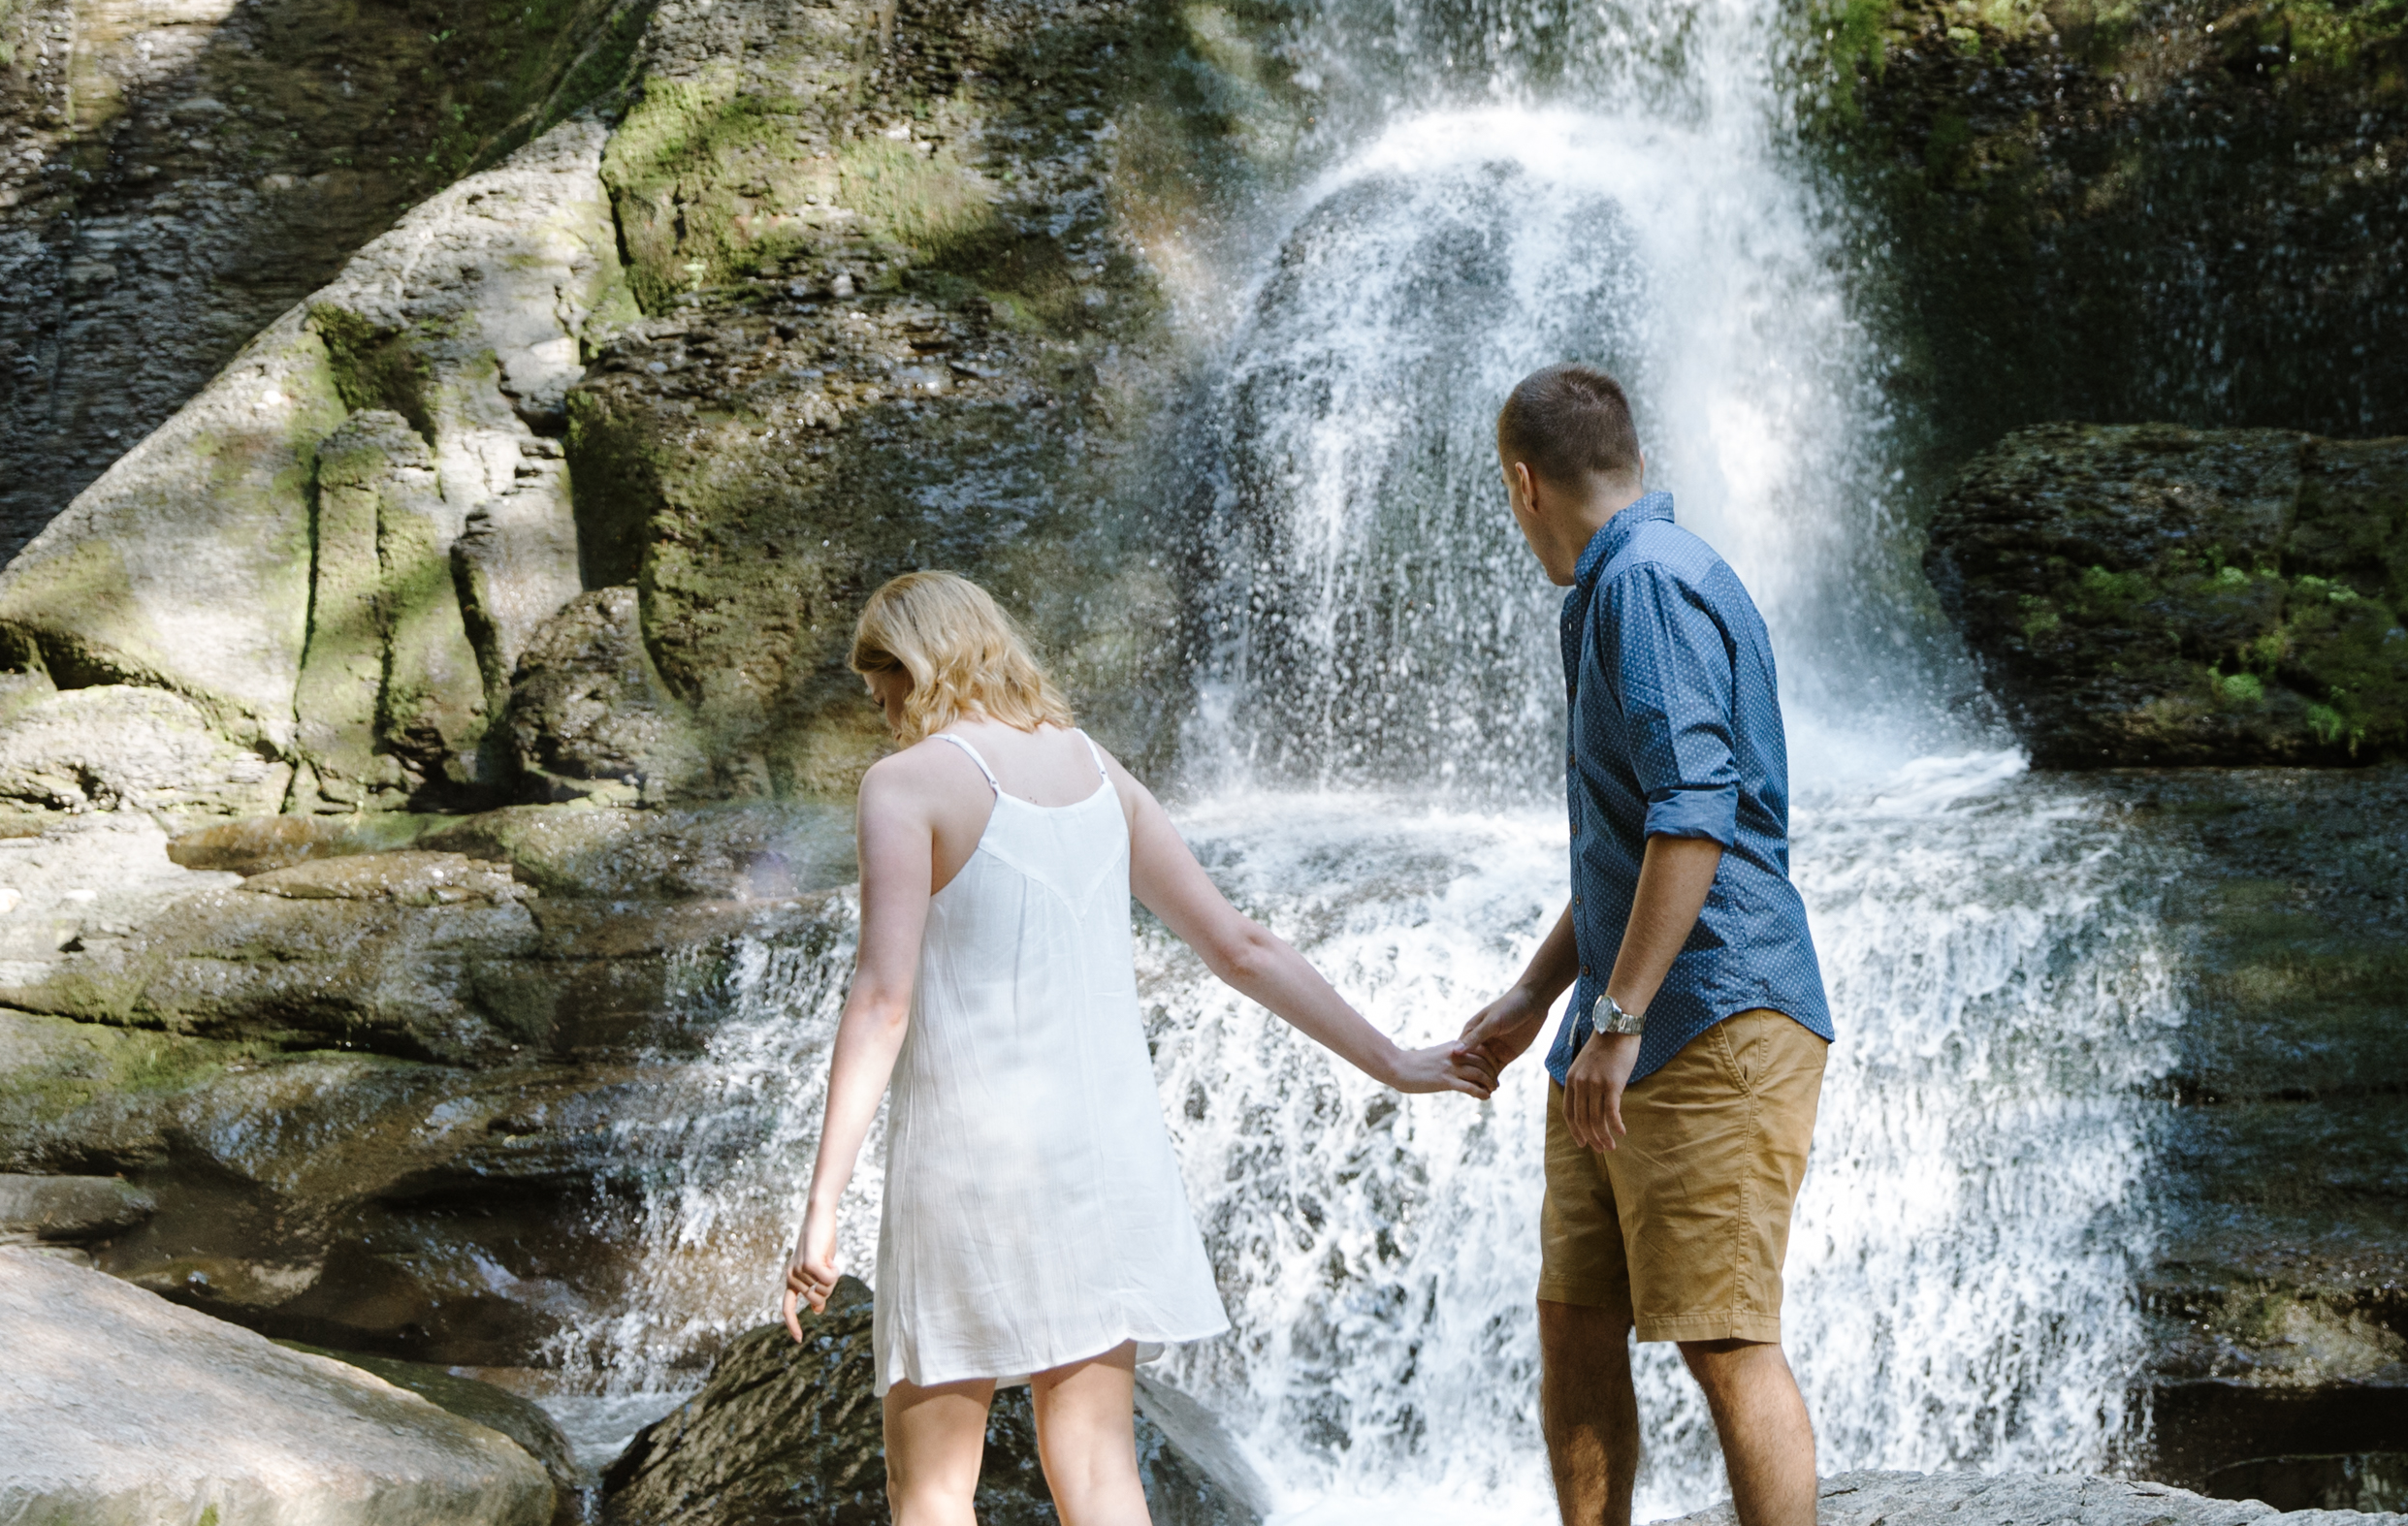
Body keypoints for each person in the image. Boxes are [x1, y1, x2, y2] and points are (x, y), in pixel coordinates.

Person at [786, 569, 1468, 1526]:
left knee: (934, 1486)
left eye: (882, 690)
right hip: (1104, 1170)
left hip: (972, 1169)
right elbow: (1242, 945)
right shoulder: (1093, 767)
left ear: (914, 666)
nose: (886, 716)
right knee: (1101, 1471)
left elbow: (882, 1000)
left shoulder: (905, 784)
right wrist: (1394, 1059)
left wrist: (822, 1207)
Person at [1453, 365, 1837, 1526]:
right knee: (1575, 1318)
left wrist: (1615, 1019)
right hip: (1620, 1027)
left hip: (1708, 1015)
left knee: (1725, 1338)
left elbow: (1693, 814)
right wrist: (1537, 996)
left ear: (1523, 483)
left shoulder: (1648, 587)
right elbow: (1631, 842)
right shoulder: (1635, 577)